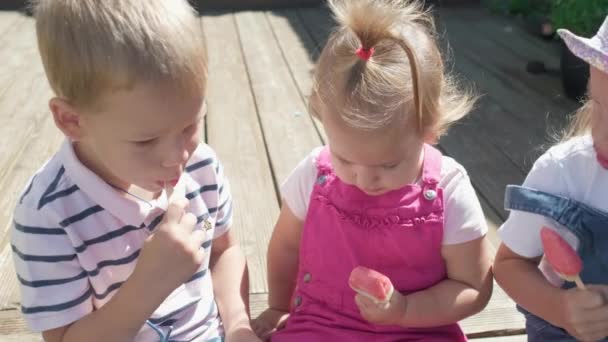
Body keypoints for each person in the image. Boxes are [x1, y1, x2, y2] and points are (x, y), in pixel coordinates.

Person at [10, 1, 260, 341]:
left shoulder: (201, 164)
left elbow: (224, 252)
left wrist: (237, 327)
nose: (177, 157)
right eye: (145, 141)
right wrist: (148, 285)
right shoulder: (48, 215)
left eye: (190, 125)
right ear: (72, 120)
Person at [252, 0, 493, 340]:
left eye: (388, 164)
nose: (365, 179)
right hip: (322, 325)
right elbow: (286, 247)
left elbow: (473, 287)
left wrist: (405, 310)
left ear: (431, 129)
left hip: (418, 329)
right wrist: (279, 306)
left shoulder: (448, 191)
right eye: (345, 159)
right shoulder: (314, 175)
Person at [494, 16, 608, 342]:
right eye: (598, 107)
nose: (604, 135)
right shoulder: (565, 173)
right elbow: (509, 264)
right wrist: (560, 308)